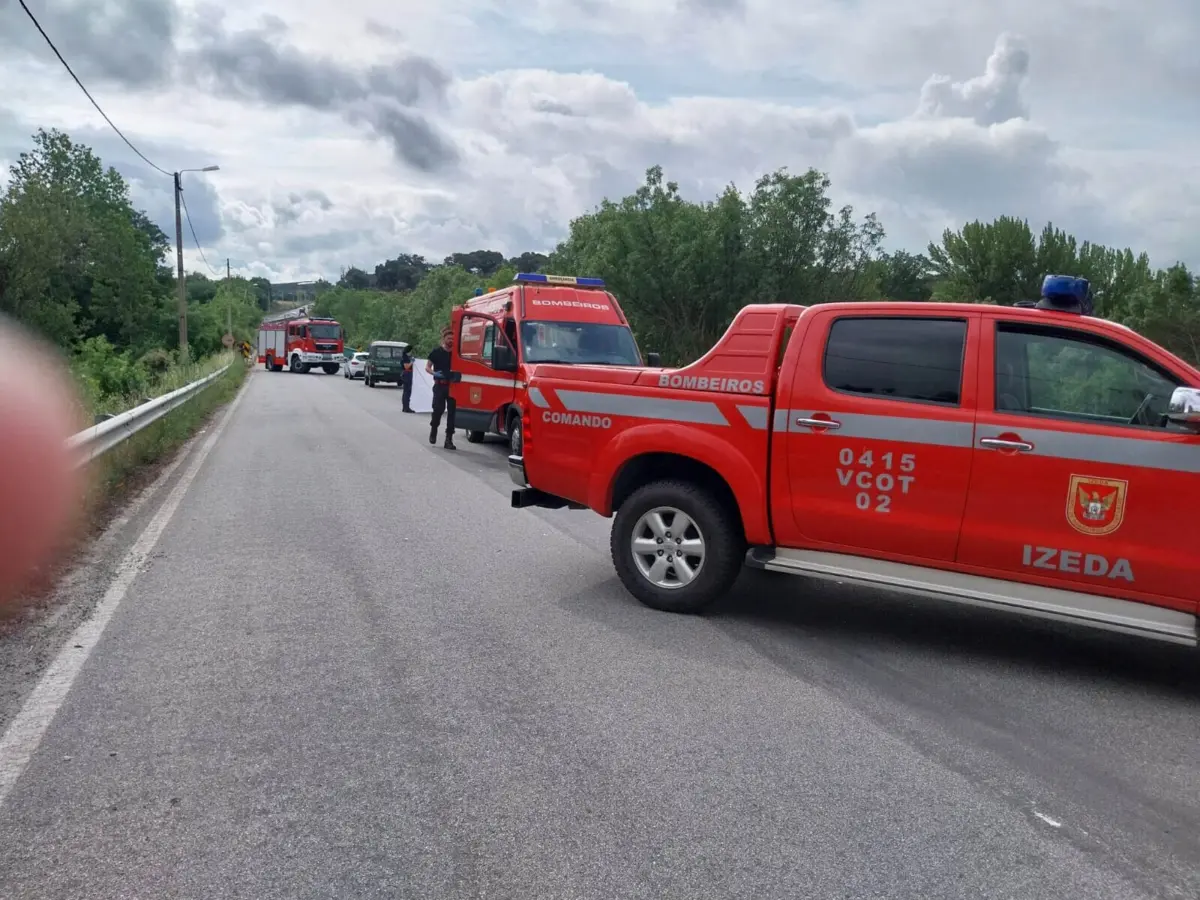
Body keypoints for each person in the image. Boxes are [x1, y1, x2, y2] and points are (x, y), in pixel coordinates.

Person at [426, 327, 457, 449]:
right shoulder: (436, 352)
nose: (451, 341)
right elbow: (427, 367)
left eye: (453, 339)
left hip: (453, 386)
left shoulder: (456, 354)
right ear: (444, 339)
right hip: (439, 386)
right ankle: (434, 429)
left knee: (452, 414)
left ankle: (448, 440)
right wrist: (434, 373)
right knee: (438, 410)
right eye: (449, 338)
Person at [400, 345, 415, 413]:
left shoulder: (405, 356)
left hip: (406, 374)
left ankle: (405, 407)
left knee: (406, 391)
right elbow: (406, 367)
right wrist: (412, 362)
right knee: (407, 391)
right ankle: (406, 407)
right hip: (407, 374)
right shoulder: (405, 357)